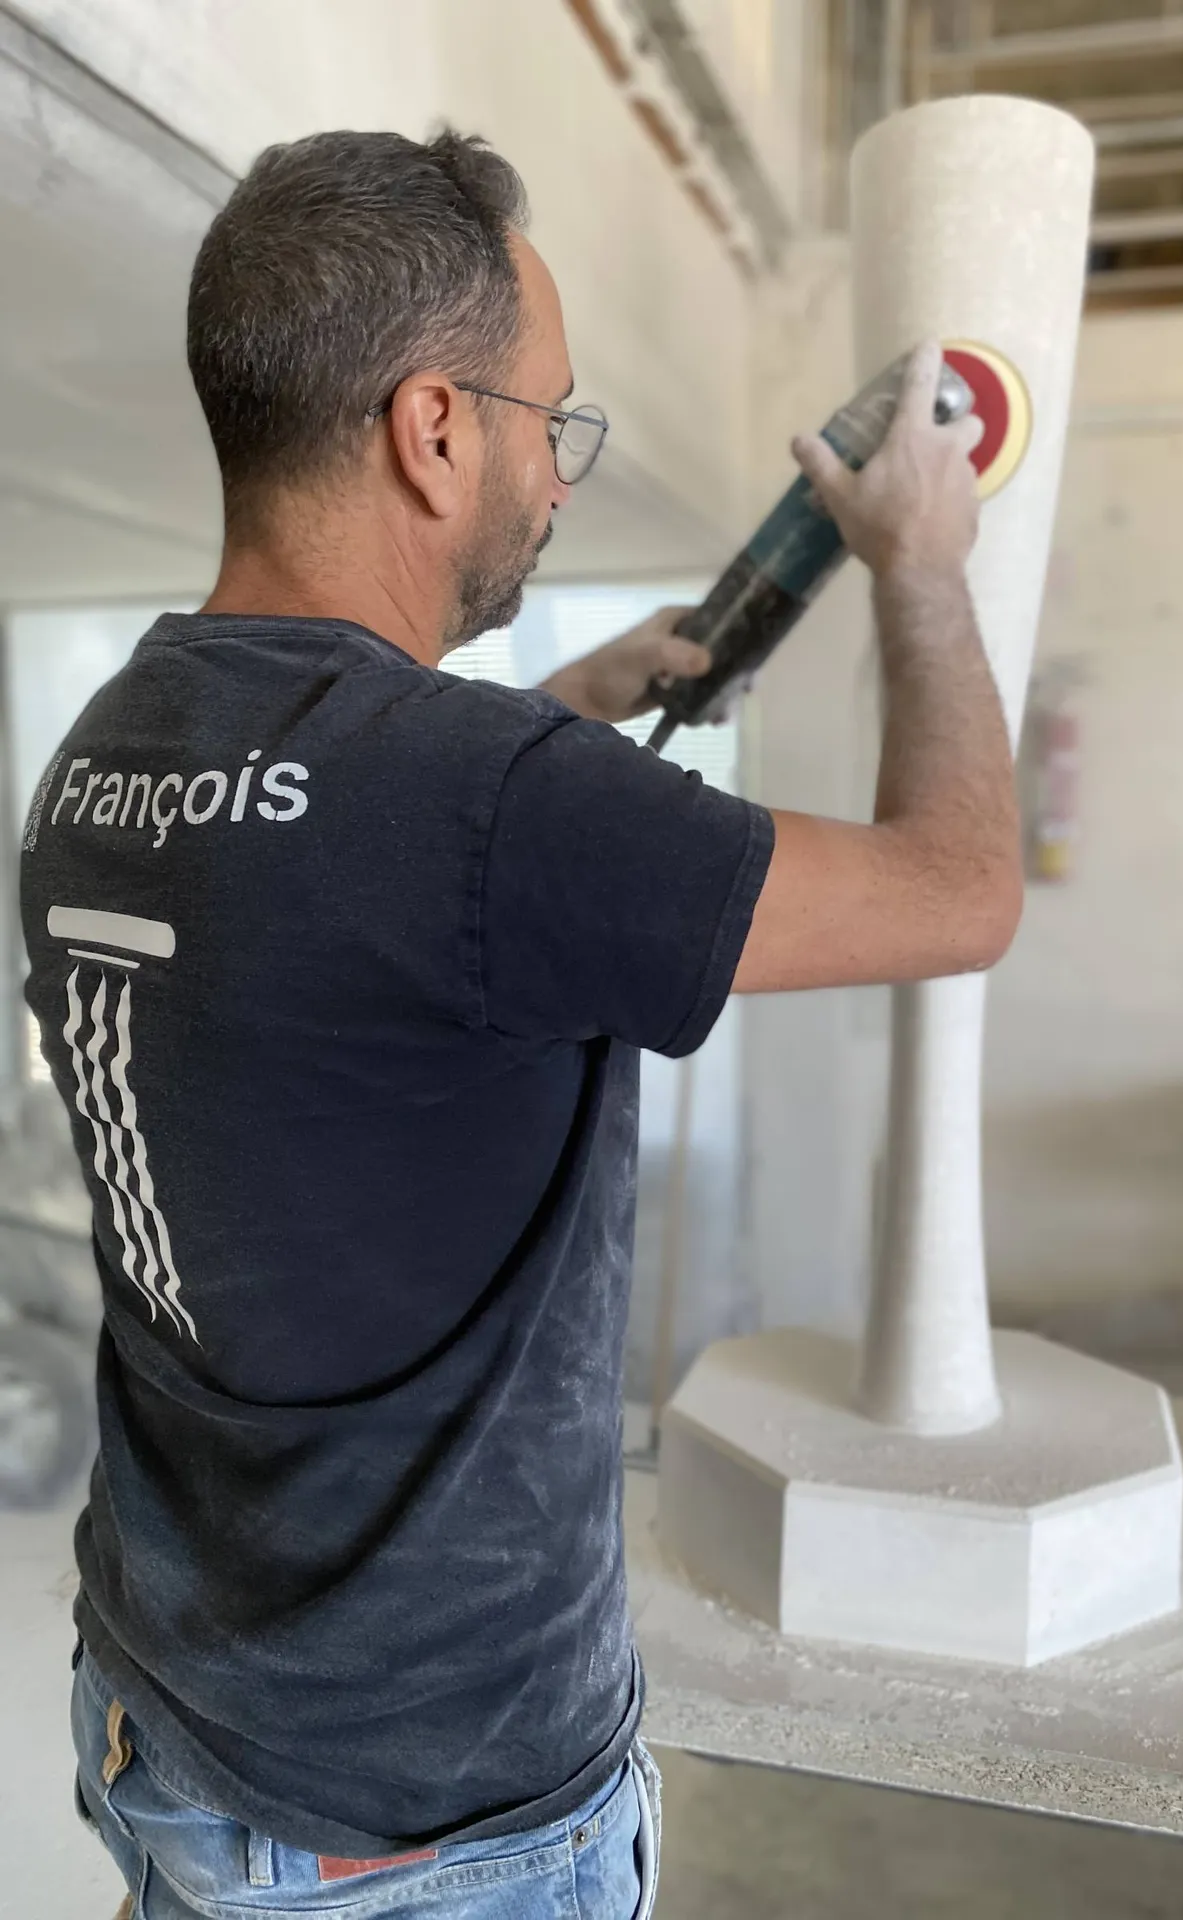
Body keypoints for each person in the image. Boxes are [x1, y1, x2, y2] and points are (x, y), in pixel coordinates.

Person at [19, 128, 1021, 1920]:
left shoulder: (102, 758)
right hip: (424, 1830)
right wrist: (923, 570)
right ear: (431, 427)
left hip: (169, 1710)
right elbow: (961, 891)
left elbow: (340, 867)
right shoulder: (494, 806)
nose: (556, 472)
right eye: (547, 420)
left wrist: (570, 703)